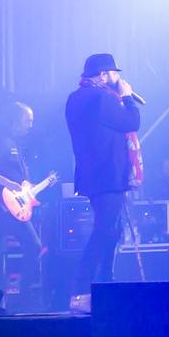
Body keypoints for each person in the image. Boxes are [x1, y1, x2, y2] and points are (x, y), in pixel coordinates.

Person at [63, 53, 141, 309]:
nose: (119, 78)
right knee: (103, 231)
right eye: (115, 73)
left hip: (92, 176)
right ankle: (81, 290)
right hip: (108, 176)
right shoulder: (102, 99)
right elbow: (132, 121)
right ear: (104, 75)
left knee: (112, 230)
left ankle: (105, 283)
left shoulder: (75, 99)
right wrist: (127, 96)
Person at [0, 101, 48, 310]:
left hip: (13, 207)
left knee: (27, 247)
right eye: (28, 120)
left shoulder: (14, 145)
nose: (30, 125)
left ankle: (17, 294)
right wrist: (9, 183)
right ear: (14, 120)